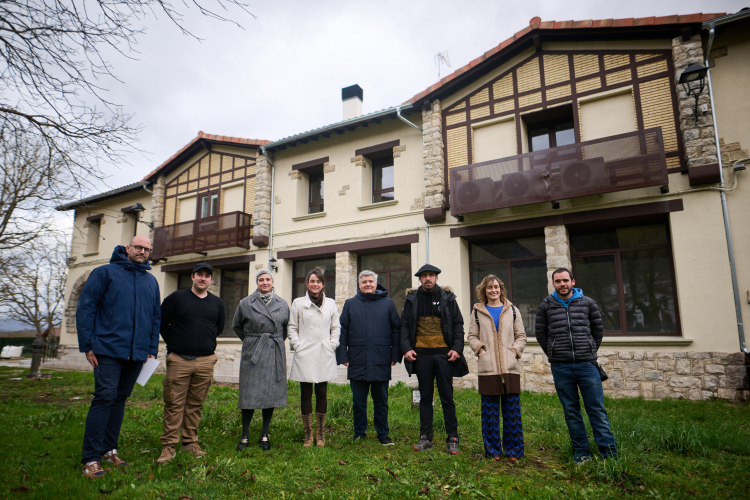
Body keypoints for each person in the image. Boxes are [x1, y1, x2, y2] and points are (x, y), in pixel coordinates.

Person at [76, 236, 161, 479]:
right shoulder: (105, 272)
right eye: (138, 247)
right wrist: (87, 345)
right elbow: (86, 307)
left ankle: (109, 450)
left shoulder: (151, 281)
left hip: (137, 353)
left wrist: (151, 349)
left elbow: (155, 317)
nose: (142, 252)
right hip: (106, 349)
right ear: (128, 249)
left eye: (146, 249)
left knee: (120, 399)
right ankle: (91, 458)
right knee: (104, 398)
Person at [535, 268, 617, 463]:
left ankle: (610, 455)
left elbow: (597, 331)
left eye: (565, 280)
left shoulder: (588, 303)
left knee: (596, 409)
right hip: (561, 367)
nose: (562, 284)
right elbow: (541, 334)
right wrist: (555, 354)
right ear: (553, 283)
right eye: (558, 281)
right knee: (571, 412)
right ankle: (582, 453)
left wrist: (588, 351)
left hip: (587, 365)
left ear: (573, 281)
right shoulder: (545, 306)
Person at [156, 263, 225, 464]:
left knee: (196, 404)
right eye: (199, 275)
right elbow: (162, 323)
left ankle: (189, 443)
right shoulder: (176, 298)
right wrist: (176, 342)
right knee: (174, 404)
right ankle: (168, 447)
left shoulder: (217, 303)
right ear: (192, 277)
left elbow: (218, 328)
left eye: (207, 276)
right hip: (179, 360)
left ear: (211, 280)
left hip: (205, 361)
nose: (203, 279)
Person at [400, 264, 469, 455]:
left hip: (444, 356)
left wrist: (457, 349)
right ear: (420, 279)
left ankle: (452, 439)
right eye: (424, 276)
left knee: (447, 397)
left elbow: (458, 325)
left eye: (431, 275)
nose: (428, 278)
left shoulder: (447, 298)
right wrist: (406, 349)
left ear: (436, 278)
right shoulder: (411, 300)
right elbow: (404, 327)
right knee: (425, 398)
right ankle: (425, 438)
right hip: (421, 356)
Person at [336, 270, 401, 445]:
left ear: (376, 283)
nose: (368, 284)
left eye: (370, 281)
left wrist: (395, 354)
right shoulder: (350, 304)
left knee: (381, 401)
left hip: (381, 359)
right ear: (359, 284)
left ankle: (383, 435)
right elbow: (342, 330)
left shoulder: (387, 303)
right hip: (357, 359)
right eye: (364, 282)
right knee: (358, 402)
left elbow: (396, 329)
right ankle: (359, 434)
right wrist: (342, 354)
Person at [467, 275, 526, 461]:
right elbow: (471, 336)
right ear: (484, 291)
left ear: (501, 289)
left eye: (496, 287)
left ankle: (514, 451)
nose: (493, 290)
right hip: (488, 369)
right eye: (489, 288)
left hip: (510, 367)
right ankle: (493, 451)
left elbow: (521, 335)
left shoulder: (513, 310)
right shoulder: (477, 312)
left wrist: (515, 350)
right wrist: (480, 349)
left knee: (512, 413)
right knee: (489, 414)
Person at [232, 269, 290, 451]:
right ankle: (245, 434)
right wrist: (252, 341)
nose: (265, 282)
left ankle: (265, 433)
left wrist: (273, 342)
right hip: (253, 354)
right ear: (256, 282)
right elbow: (236, 326)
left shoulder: (282, 303)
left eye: (267, 279)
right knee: (248, 395)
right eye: (261, 279)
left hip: (273, 353)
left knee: (269, 395)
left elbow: (285, 329)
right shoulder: (245, 303)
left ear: (273, 282)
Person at [288, 267, 340, 447]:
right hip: (305, 352)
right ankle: (308, 434)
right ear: (307, 283)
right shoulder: (297, 303)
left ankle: (320, 433)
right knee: (305, 393)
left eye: (318, 281)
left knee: (322, 392)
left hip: (323, 351)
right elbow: (292, 327)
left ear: (323, 284)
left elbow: (336, 328)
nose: (315, 284)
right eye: (312, 281)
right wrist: (297, 345)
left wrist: (332, 344)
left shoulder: (331, 304)